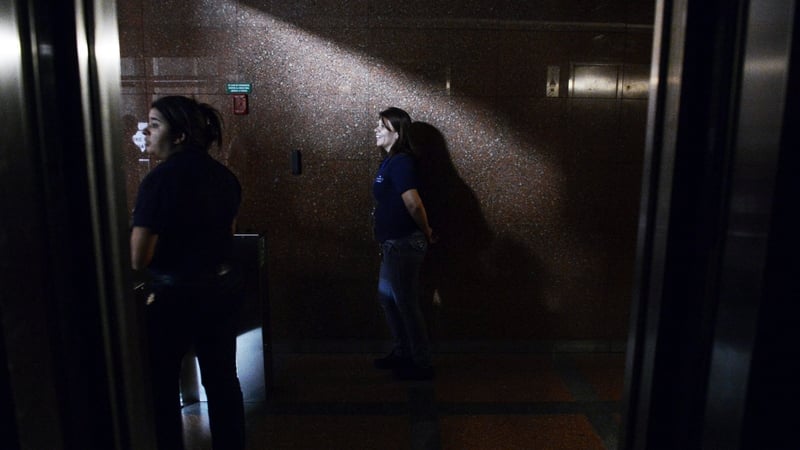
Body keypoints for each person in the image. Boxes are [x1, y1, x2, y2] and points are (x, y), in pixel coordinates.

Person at [130, 95, 245, 450]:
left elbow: (139, 256)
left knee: (162, 384)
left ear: (179, 135)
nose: (147, 133)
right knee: (222, 380)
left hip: (172, 298)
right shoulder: (224, 178)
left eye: (154, 124)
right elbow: (228, 234)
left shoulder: (158, 181)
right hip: (219, 292)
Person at [371, 107, 436, 380]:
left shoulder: (401, 162)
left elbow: (413, 202)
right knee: (388, 299)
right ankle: (403, 352)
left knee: (405, 303)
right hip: (393, 244)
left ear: (397, 133)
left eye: (382, 126)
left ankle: (421, 362)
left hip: (404, 243)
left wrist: (427, 230)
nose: (376, 129)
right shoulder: (389, 161)